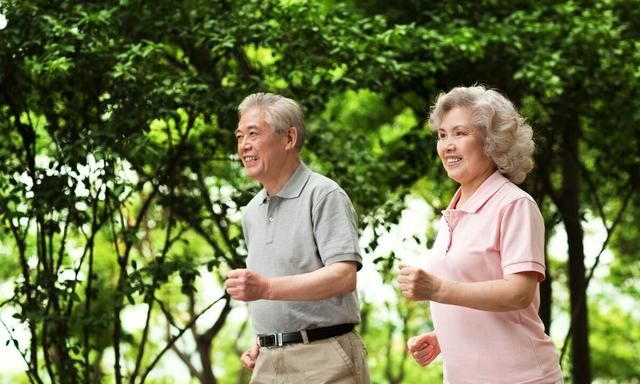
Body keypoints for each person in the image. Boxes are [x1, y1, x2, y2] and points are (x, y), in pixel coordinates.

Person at [397, 85, 563, 383]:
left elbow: (518, 293)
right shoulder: (454, 211)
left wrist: (436, 289)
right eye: (442, 134)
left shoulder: (514, 204)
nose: (447, 144)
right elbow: (477, 292)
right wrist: (444, 335)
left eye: (460, 133)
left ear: (491, 142)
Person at [225, 92, 370, 384]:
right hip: (267, 362)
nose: (244, 145)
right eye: (240, 137)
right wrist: (266, 339)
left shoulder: (324, 194)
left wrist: (265, 287)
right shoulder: (251, 212)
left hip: (325, 358)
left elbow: (343, 277)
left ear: (289, 138)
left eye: (253, 134)